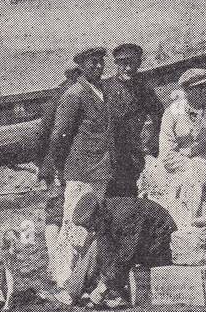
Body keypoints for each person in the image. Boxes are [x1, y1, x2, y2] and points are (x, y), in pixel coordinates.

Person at [48, 47, 130, 287]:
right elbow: (58, 136)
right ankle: (63, 277)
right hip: (82, 169)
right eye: (91, 63)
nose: (97, 67)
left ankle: (82, 277)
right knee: (73, 224)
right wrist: (60, 167)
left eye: (100, 63)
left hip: (102, 169)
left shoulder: (102, 91)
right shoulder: (74, 94)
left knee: (91, 224)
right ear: (81, 66)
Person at [62, 192, 176, 308]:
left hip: (161, 246)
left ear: (97, 215)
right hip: (144, 243)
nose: (89, 230)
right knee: (98, 246)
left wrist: (103, 287)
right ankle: (73, 291)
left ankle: (81, 292)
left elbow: (126, 254)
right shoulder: (106, 215)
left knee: (109, 254)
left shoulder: (125, 215)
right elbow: (104, 253)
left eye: (90, 225)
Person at [156, 67, 206, 223]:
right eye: (198, 88)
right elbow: (167, 155)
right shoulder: (172, 113)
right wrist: (196, 166)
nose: (204, 91)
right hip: (176, 171)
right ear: (186, 91)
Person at [35, 62, 82, 283]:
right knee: (59, 211)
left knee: (58, 211)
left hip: (61, 162)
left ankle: (59, 265)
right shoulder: (69, 94)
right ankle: (58, 265)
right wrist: (46, 164)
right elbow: (43, 134)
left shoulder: (62, 93)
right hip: (59, 163)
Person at [105, 42, 164, 197]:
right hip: (111, 153)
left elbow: (159, 115)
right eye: (124, 64)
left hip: (134, 154)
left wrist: (153, 144)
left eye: (133, 63)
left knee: (132, 194)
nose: (129, 68)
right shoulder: (106, 88)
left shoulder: (143, 88)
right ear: (117, 63)